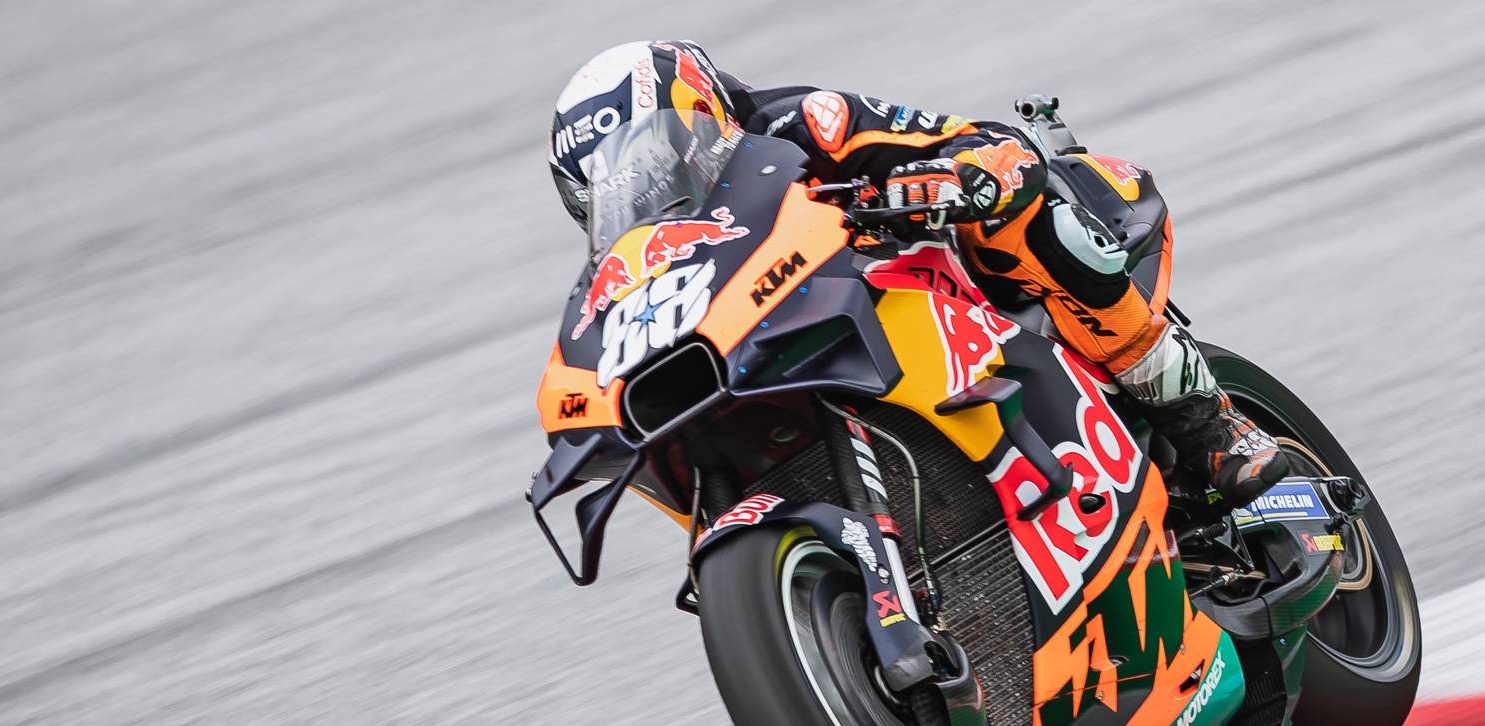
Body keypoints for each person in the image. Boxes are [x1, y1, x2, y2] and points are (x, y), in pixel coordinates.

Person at [548, 40, 1290, 504]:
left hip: (927, 284)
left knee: (1022, 214)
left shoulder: (807, 122)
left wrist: (952, 179)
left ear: (701, 115)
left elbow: (980, 144)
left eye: (651, 165)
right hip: (796, 346)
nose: (643, 197)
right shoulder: (644, 263)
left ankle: (1204, 421)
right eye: (614, 191)